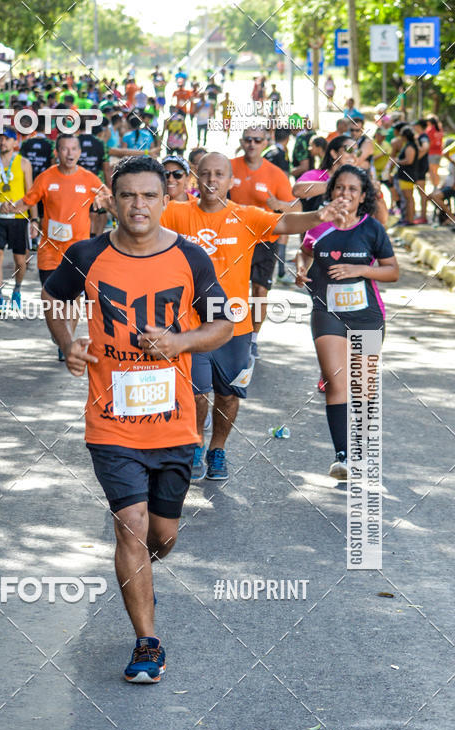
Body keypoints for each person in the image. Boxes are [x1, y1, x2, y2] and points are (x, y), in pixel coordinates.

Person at [41, 155, 233, 683]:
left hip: (174, 424)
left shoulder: (191, 259)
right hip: (111, 421)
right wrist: (68, 345)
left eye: (149, 195)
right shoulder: (86, 254)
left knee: (161, 536)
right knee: (131, 526)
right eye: (128, 195)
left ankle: (142, 569)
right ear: (112, 198)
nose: (138, 205)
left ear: (165, 200)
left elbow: (223, 325)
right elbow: (53, 300)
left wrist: (180, 341)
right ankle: (147, 641)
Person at [161, 151, 349, 482]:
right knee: (196, 391)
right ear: (195, 178)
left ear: (231, 180)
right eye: (205, 173)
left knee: (229, 394)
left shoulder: (245, 215)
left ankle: (217, 449)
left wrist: (322, 214)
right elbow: (144, 215)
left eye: (219, 174)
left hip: (234, 325)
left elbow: (286, 222)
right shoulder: (176, 213)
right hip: (190, 324)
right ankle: (194, 444)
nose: (212, 180)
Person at [295, 165, 398, 478]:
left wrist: (359, 270)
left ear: (362, 196)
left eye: (353, 189)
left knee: (362, 386)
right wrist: (301, 269)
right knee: (335, 381)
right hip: (328, 312)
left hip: (367, 315)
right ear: (332, 191)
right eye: (340, 188)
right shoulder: (319, 225)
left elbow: (392, 271)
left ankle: (361, 450)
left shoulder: (372, 229)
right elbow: (304, 251)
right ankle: (343, 455)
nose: (345, 194)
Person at [1, 133, 108, 342]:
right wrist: (10, 207)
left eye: (74, 149)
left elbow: (110, 199)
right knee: (52, 300)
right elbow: (27, 201)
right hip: (50, 251)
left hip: (78, 252)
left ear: (79, 152)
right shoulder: (47, 177)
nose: (70, 153)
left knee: (74, 298)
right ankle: (61, 334)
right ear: (57, 152)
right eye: (65, 149)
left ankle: (66, 340)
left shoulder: (89, 179)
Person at [230, 125, 298, 351]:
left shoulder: (275, 173)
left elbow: (295, 208)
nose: (252, 144)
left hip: (265, 240)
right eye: (248, 139)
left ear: (265, 142)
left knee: (260, 291)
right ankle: (232, 335)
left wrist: (278, 206)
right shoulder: (230, 167)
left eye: (257, 140)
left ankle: (253, 339)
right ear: (242, 140)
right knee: (233, 291)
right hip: (233, 240)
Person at [0, 127, 35, 315]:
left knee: (20, 260)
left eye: (7, 139)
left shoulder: (24, 163)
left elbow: (31, 193)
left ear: (15, 142)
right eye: (0, 139)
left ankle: (17, 289)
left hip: (19, 218)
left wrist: (34, 219)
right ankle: (0, 297)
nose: (3, 142)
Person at [394, 126, 418, 226]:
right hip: (405, 175)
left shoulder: (410, 146)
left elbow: (409, 160)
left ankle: (410, 219)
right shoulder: (409, 145)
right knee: (408, 198)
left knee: (409, 198)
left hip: (407, 176)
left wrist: (398, 161)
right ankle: (408, 218)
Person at [413, 119, 430, 224]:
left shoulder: (423, 137)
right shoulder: (420, 136)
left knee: (422, 193)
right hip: (419, 168)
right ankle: (421, 215)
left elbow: (425, 147)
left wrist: (416, 158)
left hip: (420, 168)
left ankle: (423, 216)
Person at [426, 116, 443, 190]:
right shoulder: (439, 129)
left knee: (432, 171)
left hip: (431, 152)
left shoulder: (430, 130)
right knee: (436, 171)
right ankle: (436, 186)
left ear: (429, 122)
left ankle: (435, 187)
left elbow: (429, 142)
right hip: (439, 152)